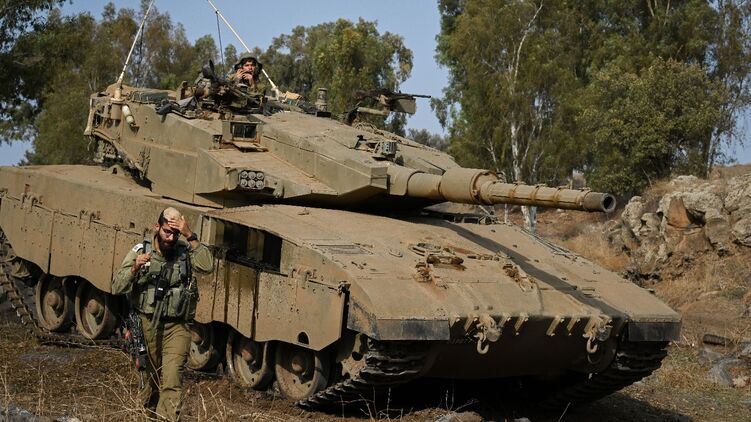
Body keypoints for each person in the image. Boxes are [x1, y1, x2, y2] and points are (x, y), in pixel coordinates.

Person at [112, 207, 213, 421]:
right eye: (167, 231)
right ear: (157, 227)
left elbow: (207, 266)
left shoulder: (185, 251)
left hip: (177, 327)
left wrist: (189, 234)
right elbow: (117, 286)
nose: (171, 237)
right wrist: (134, 268)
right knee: (149, 382)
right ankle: (144, 417)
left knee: (172, 380)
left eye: (176, 233)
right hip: (147, 324)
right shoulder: (141, 250)